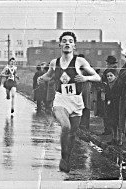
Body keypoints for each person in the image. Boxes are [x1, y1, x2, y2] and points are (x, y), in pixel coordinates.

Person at [37, 31, 101, 173]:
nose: (67, 43)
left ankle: (67, 157)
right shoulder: (55, 62)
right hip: (61, 100)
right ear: (60, 45)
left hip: (76, 101)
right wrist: (41, 78)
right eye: (64, 41)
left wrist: (86, 79)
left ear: (74, 45)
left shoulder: (80, 62)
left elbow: (97, 77)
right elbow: (49, 75)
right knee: (65, 126)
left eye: (70, 41)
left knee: (72, 133)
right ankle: (63, 157)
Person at [101, 55, 118, 135]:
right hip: (113, 94)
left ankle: (108, 130)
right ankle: (111, 130)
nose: (107, 64)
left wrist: (102, 92)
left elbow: (104, 83)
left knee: (108, 112)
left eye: (108, 63)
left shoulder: (109, 71)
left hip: (108, 94)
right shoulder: (116, 70)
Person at [104, 69, 120, 145]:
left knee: (118, 123)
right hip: (110, 106)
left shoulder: (118, 84)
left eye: (111, 76)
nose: (109, 77)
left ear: (115, 76)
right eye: (108, 76)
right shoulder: (107, 85)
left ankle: (119, 140)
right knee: (112, 122)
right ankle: (114, 138)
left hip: (118, 105)